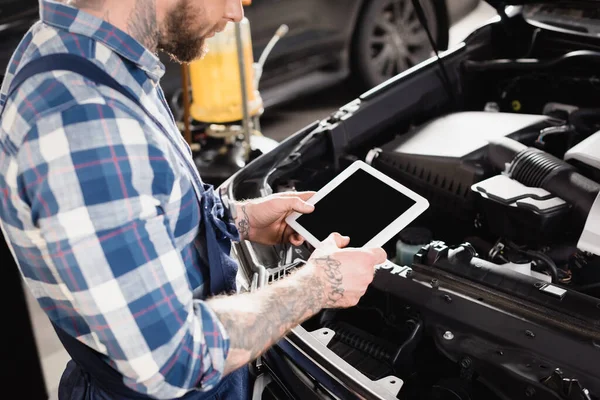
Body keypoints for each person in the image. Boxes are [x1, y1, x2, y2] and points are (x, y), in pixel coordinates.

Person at [0, 0, 387, 398]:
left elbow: (154, 202)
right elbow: (171, 360)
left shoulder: (88, 54)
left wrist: (240, 219)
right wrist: (319, 285)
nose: (238, 13)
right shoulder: (85, 121)